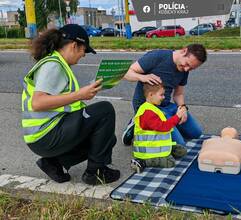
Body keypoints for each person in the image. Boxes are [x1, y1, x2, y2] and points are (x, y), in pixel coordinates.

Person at [21, 24, 120, 185]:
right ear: (74, 45)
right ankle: (95, 172)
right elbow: (37, 102)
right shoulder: (53, 65)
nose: (84, 56)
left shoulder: (56, 63)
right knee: (105, 109)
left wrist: (81, 94)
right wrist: (79, 95)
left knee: (107, 139)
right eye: (84, 50)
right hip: (46, 134)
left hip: (43, 136)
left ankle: (54, 163)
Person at [122, 44, 207, 147]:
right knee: (179, 145)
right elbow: (125, 73)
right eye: (187, 64)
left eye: (191, 68)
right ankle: (137, 122)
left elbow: (178, 94)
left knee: (196, 133)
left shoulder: (184, 70)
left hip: (166, 105)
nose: (186, 69)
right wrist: (142, 77)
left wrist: (183, 108)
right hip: (148, 107)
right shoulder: (157, 56)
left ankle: (165, 125)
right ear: (184, 51)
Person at [130, 83, 188, 173]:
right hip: (148, 152)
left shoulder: (152, 108)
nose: (164, 97)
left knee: (182, 151)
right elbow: (163, 127)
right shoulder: (147, 112)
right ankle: (143, 162)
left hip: (155, 146)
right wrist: (177, 116)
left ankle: (167, 151)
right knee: (170, 162)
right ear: (151, 95)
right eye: (161, 95)